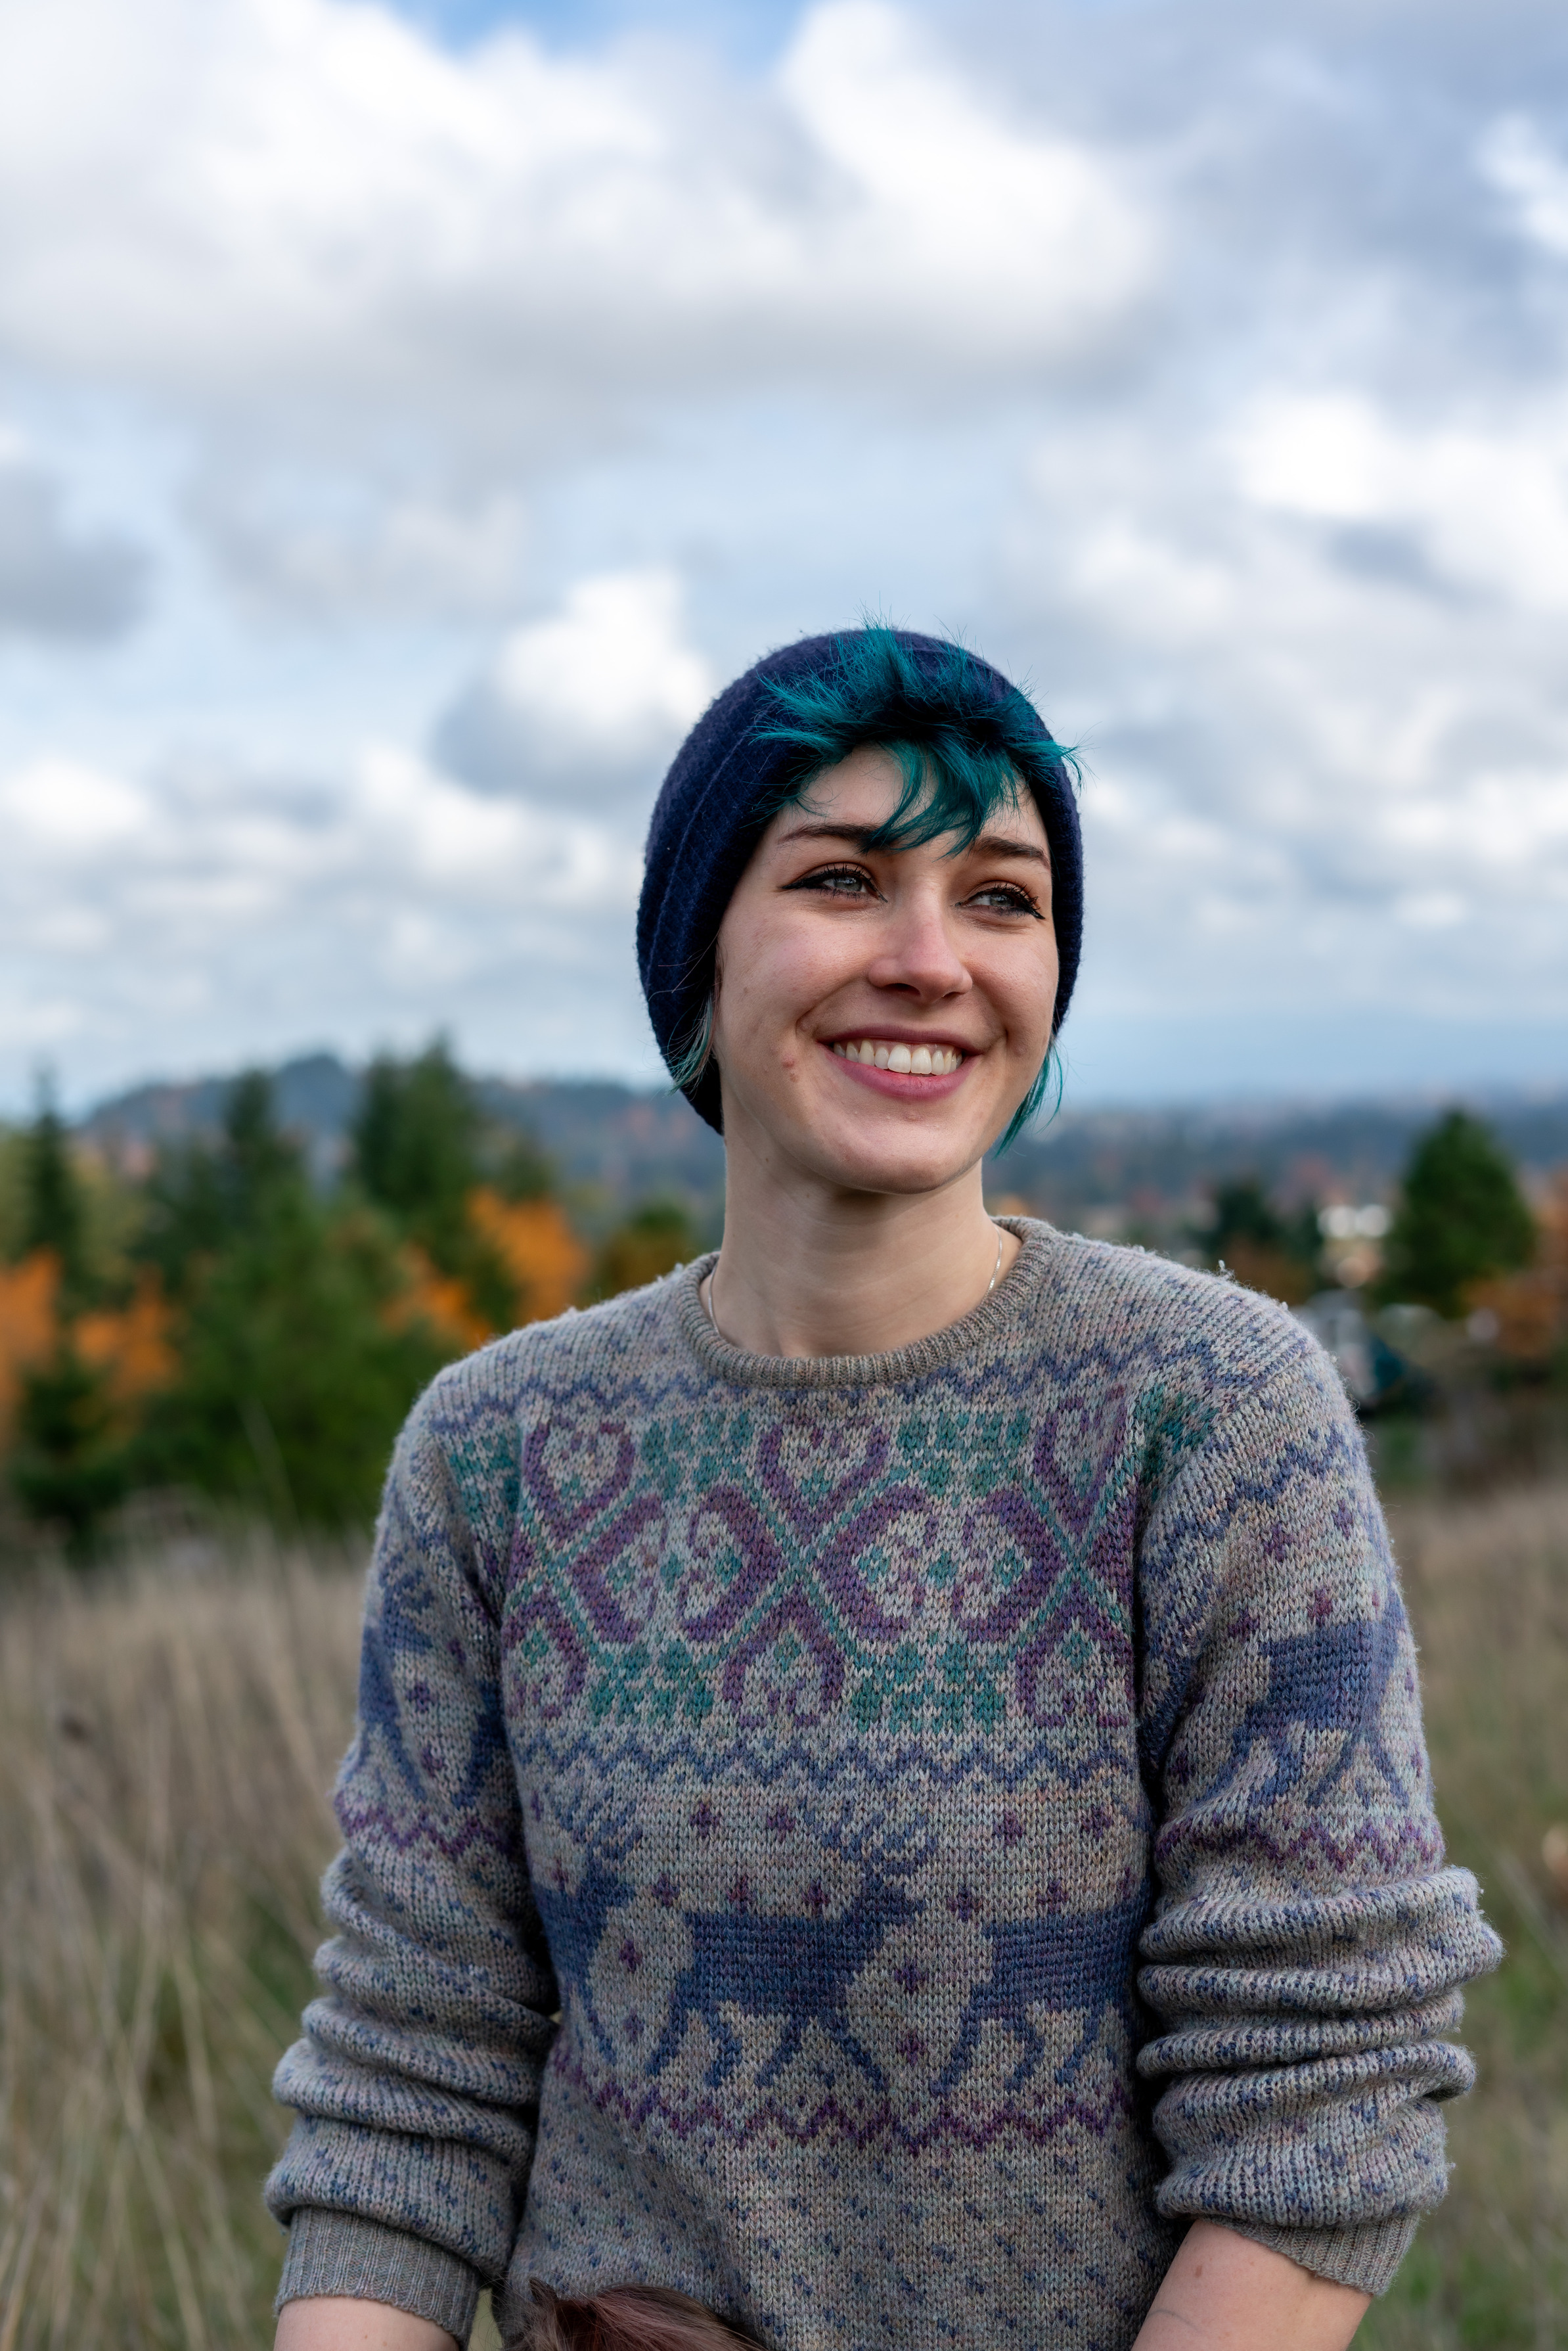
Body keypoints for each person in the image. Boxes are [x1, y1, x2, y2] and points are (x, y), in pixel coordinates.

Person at [269, 628, 1500, 2351]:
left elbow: (1323, 2090)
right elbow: (414, 2061)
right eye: (841, 878)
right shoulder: (499, 1451)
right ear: (696, 949)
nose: (927, 959)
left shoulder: (1211, 1414)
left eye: (999, 896)